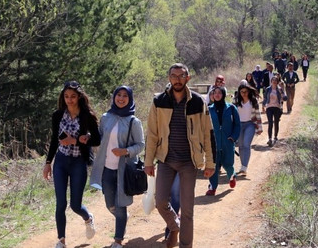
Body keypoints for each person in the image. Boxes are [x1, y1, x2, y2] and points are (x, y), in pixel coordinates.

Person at [144, 63, 215, 248]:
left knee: (188, 210)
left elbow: (208, 133)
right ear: (169, 78)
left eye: (181, 76)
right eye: (174, 76)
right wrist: (148, 161)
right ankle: (174, 226)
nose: (177, 79)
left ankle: (186, 245)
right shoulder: (159, 101)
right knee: (160, 202)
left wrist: (210, 163)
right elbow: (151, 133)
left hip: (189, 162)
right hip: (166, 160)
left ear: (188, 78)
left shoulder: (198, 102)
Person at [43, 81, 101, 248]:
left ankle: (88, 218)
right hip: (61, 161)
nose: (69, 100)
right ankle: (61, 240)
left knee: (75, 205)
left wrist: (79, 140)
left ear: (79, 97)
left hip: (78, 162)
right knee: (60, 203)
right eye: (66, 96)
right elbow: (55, 140)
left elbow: (97, 139)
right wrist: (48, 163)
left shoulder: (87, 116)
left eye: (73, 96)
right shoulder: (58, 115)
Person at [89, 86, 144, 248]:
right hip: (106, 169)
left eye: (125, 96)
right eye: (118, 95)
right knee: (109, 204)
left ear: (130, 99)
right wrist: (88, 137)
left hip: (123, 171)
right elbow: (99, 137)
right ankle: (122, 218)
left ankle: (118, 240)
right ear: (114, 97)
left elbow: (140, 145)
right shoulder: (106, 117)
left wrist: (125, 151)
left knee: (120, 207)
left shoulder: (134, 121)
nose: (121, 98)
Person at [205, 86, 240, 196]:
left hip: (227, 141)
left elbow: (237, 124)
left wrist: (233, 137)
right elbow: (203, 126)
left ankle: (232, 176)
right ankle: (212, 187)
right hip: (213, 142)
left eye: (220, 93)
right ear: (212, 95)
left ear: (224, 94)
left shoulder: (231, 108)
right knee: (213, 165)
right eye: (215, 93)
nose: (217, 95)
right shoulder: (208, 109)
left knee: (228, 164)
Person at [233, 84, 262, 176]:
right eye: (241, 92)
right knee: (240, 145)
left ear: (248, 91)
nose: (243, 94)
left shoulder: (253, 101)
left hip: (250, 124)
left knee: (246, 144)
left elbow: (258, 114)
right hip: (239, 125)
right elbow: (231, 114)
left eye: (245, 92)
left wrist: (260, 127)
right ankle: (242, 166)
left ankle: (244, 166)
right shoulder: (236, 100)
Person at [262, 76, 286, 147]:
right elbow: (265, 97)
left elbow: (284, 97)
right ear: (271, 81)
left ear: (277, 82)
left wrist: (282, 95)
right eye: (273, 80)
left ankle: (275, 137)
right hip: (269, 107)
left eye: (276, 80)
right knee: (270, 123)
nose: (274, 81)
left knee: (276, 122)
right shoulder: (268, 89)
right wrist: (263, 106)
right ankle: (270, 139)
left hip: (277, 107)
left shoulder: (280, 89)